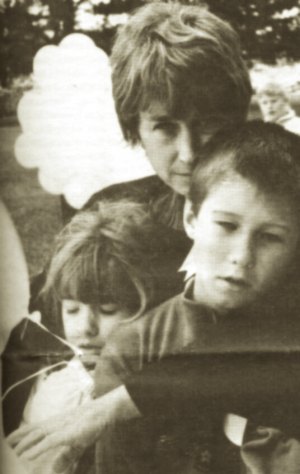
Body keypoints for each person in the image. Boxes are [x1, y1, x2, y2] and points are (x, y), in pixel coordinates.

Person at [9, 122, 300, 473]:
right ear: (191, 217)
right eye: (226, 225)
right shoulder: (136, 347)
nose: (242, 255)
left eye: (270, 237)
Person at [2, 199, 175, 472]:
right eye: (71, 309)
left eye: (107, 310)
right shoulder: (55, 381)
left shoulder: (154, 384)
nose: (86, 327)